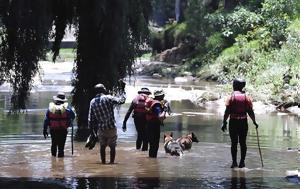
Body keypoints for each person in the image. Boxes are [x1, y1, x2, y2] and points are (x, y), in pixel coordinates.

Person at [221, 78, 259, 168]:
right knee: (243, 143)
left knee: (234, 143)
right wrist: (254, 122)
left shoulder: (231, 97)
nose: (232, 86)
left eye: (233, 84)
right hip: (243, 122)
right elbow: (250, 111)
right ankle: (242, 162)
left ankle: (234, 162)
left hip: (233, 123)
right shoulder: (247, 98)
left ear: (235, 86)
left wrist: (224, 122)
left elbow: (227, 111)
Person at [88, 83, 126, 164]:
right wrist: (123, 90)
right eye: (104, 88)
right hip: (111, 127)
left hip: (101, 129)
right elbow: (121, 101)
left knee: (102, 147)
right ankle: (112, 163)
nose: (105, 89)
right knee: (112, 147)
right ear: (102, 90)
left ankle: (103, 163)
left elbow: (90, 120)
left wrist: (92, 133)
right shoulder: (108, 98)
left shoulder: (92, 102)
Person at [43, 92, 75, 158]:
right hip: (63, 130)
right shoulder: (67, 108)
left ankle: (53, 161)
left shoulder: (51, 108)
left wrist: (44, 130)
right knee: (61, 147)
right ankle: (61, 162)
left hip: (53, 130)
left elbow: (46, 120)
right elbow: (73, 116)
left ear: (56, 100)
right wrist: (68, 122)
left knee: (53, 144)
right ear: (63, 100)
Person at [145, 89, 167, 158]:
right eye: (163, 95)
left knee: (151, 145)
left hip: (149, 124)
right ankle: (153, 161)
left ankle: (150, 161)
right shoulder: (157, 104)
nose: (164, 96)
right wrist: (165, 110)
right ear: (160, 96)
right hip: (154, 126)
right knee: (155, 145)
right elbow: (160, 116)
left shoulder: (152, 102)